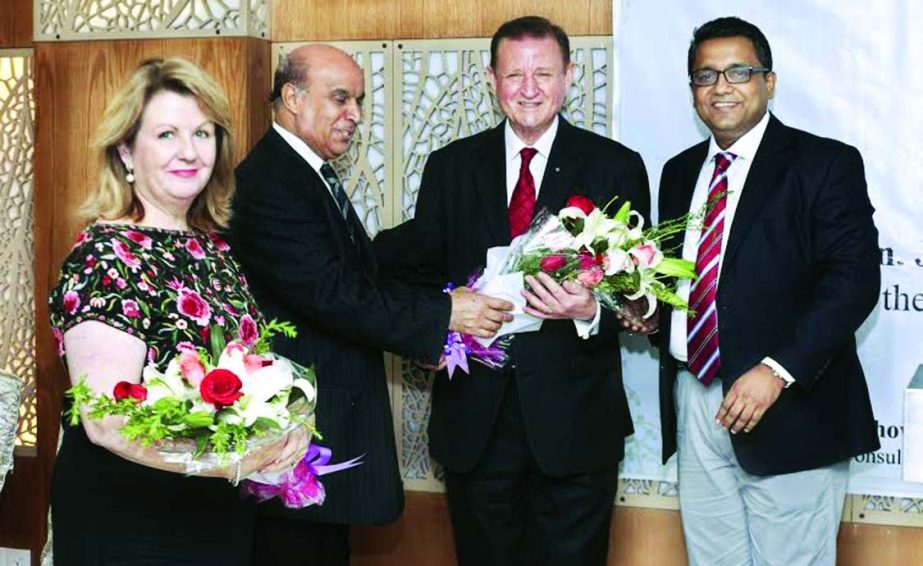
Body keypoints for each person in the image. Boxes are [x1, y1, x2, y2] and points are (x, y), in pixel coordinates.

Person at [228, 44, 512, 566]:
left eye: (358, 100)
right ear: (291, 97)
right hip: (296, 439)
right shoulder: (271, 181)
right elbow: (332, 293)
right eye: (341, 98)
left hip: (323, 436)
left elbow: (361, 278)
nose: (355, 114)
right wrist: (443, 314)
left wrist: (431, 325)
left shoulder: (306, 171)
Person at [386, 16, 651, 565]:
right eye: (514, 75)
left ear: (570, 76)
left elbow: (645, 292)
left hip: (575, 424)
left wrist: (592, 311)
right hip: (476, 423)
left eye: (544, 73)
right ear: (491, 79)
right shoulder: (450, 167)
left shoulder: (615, 167)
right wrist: (436, 329)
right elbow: (419, 269)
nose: (529, 89)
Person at [47, 58, 309, 565]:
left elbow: (248, 376)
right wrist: (233, 460)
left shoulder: (213, 250)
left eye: (203, 134)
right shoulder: (105, 257)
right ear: (126, 150)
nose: (189, 151)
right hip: (129, 523)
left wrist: (285, 425)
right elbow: (106, 422)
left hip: (216, 517)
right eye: (166, 134)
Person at [656, 16, 880, 566]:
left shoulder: (823, 164)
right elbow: (683, 279)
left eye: (739, 71)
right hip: (696, 398)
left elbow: (854, 282)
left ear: (769, 81)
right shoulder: (678, 172)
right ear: (692, 92)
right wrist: (646, 310)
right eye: (706, 76)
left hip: (788, 407)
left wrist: (776, 370)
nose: (722, 87)